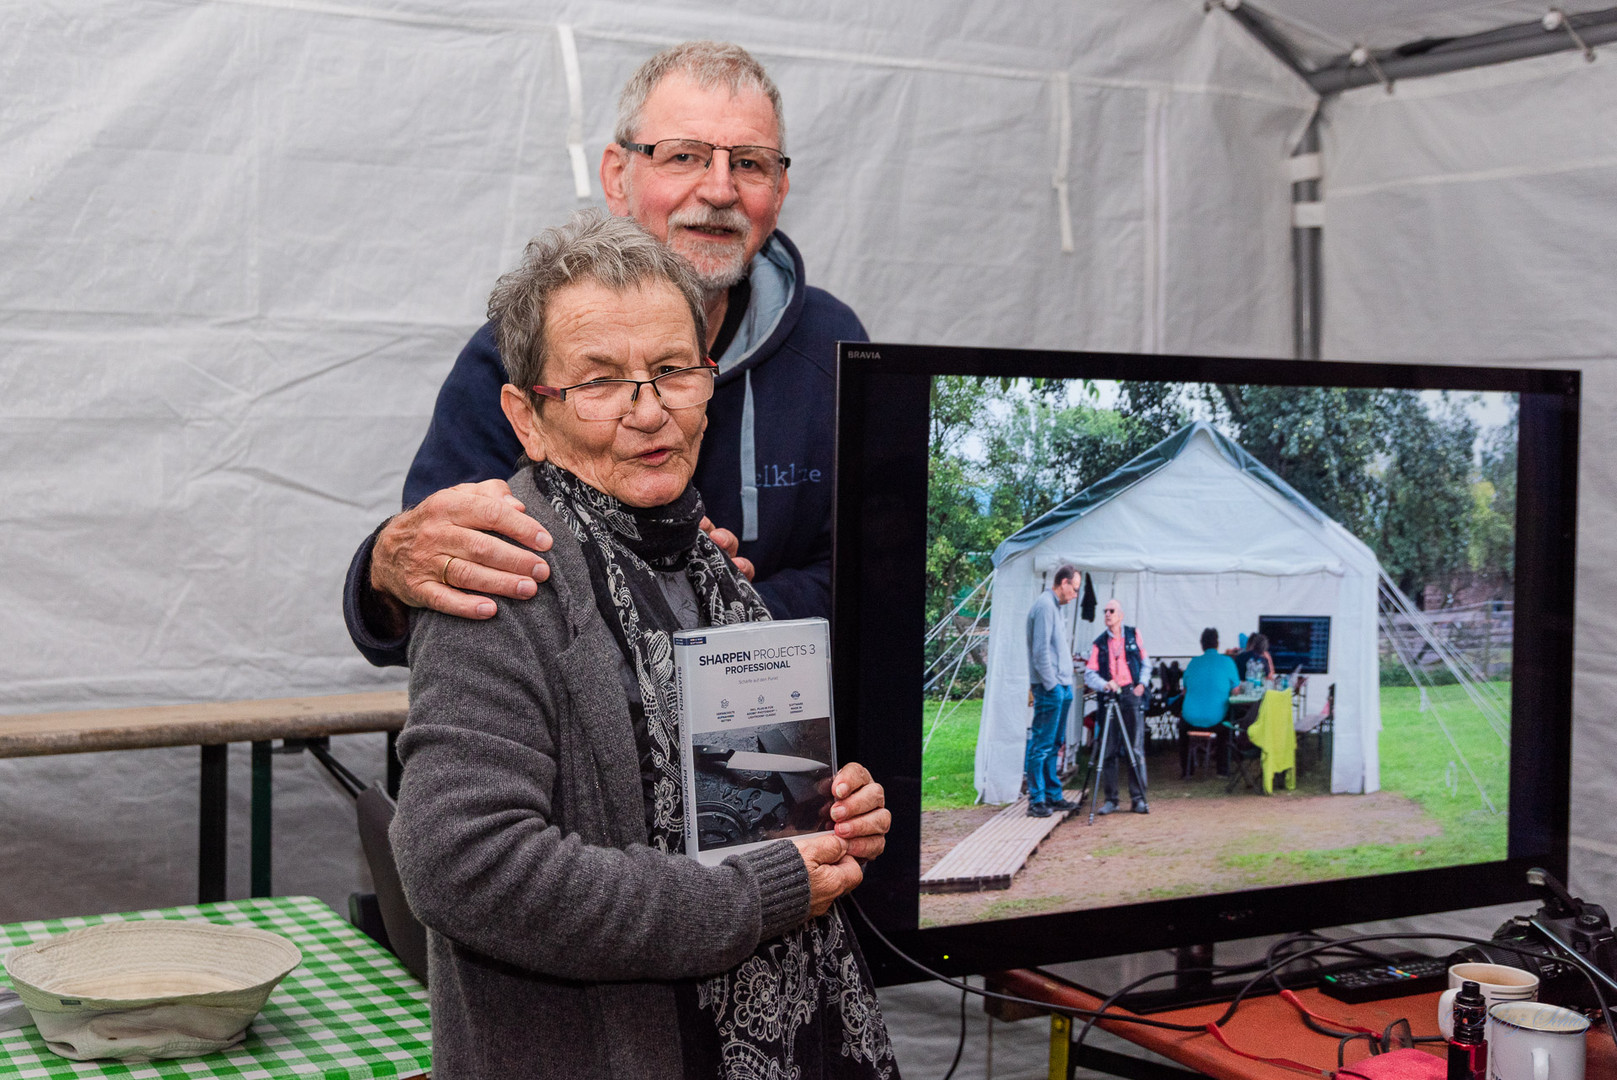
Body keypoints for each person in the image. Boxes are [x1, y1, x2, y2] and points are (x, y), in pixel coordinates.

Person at [390, 210, 896, 1079]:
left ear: (709, 379)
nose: (648, 411)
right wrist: (758, 892)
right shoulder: (505, 576)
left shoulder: (709, 563)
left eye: (672, 371)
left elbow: (744, 790)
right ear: (526, 415)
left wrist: (830, 815)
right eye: (598, 381)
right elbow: (461, 863)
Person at [343, 40, 866, 667]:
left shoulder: (834, 347)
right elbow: (437, 582)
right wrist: (382, 569)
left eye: (750, 164)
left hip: (772, 735)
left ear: (779, 190)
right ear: (618, 177)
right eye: (685, 156)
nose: (720, 189)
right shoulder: (516, 354)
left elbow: (873, 577)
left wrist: (715, 609)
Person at [1084, 600, 1150, 815]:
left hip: (1130, 694)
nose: (1107, 614)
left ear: (1120, 615)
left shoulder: (1133, 634)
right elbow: (1089, 673)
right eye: (1105, 611)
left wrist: (1142, 684)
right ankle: (1111, 799)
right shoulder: (1099, 643)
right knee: (1109, 748)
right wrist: (1103, 684)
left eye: (1111, 611)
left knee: (1135, 747)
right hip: (1109, 697)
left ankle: (1138, 798)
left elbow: (1146, 662)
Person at [1024, 565, 1080, 819]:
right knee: (1042, 743)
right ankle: (1037, 799)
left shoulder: (1054, 607)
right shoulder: (1045, 606)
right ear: (1064, 583)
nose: (1076, 594)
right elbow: (1040, 652)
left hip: (1061, 685)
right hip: (1051, 687)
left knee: (1054, 743)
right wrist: (1052, 685)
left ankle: (1052, 795)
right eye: (1075, 589)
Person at [1178, 627, 1240, 777]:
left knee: (1182, 728)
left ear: (1201, 644)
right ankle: (1222, 771)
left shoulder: (1193, 663)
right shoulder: (1227, 662)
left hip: (1190, 719)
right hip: (1216, 719)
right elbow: (1236, 691)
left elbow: (1184, 691)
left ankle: (1187, 771)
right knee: (1227, 726)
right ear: (1217, 643)